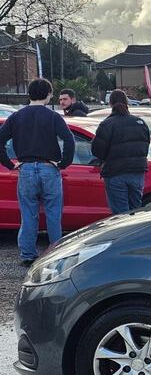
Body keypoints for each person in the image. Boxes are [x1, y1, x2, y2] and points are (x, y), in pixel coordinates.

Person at [0, 78, 75, 266]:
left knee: (28, 213)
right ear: (49, 95)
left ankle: (27, 255)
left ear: (29, 94)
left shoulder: (16, 117)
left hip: (25, 168)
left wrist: (9, 164)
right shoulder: (53, 117)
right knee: (53, 213)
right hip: (49, 168)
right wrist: (63, 163)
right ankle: (55, 253)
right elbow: (69, 140)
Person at [91, 89, 150, 214]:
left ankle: (126, 234)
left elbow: (97, 150)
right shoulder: (140, 123)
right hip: (137, 172)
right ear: (127, 102)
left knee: (120, 215)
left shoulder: (107, 124)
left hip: (115, 173)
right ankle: (137, 233)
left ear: (110, 104)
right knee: (136, 211)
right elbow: (145, 146)